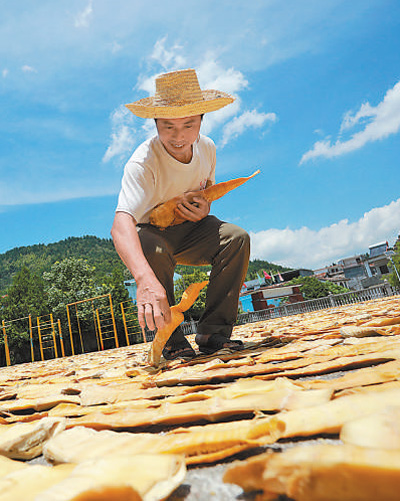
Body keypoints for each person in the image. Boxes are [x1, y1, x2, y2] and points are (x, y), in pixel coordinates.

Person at [111, 68, 250, 360]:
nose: (179, 136)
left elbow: (206, 192)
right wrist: (144, 281)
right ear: (155, 123)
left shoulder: (208, 149)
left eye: (188, 125)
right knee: (150, 244)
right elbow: (121, 225)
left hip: (192, 230)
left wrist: (204, 210)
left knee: (236, 238)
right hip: (154, 234)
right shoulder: (142, 163)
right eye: (168, 127)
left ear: (201, 121)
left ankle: (214, 333)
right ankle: (171, 339)